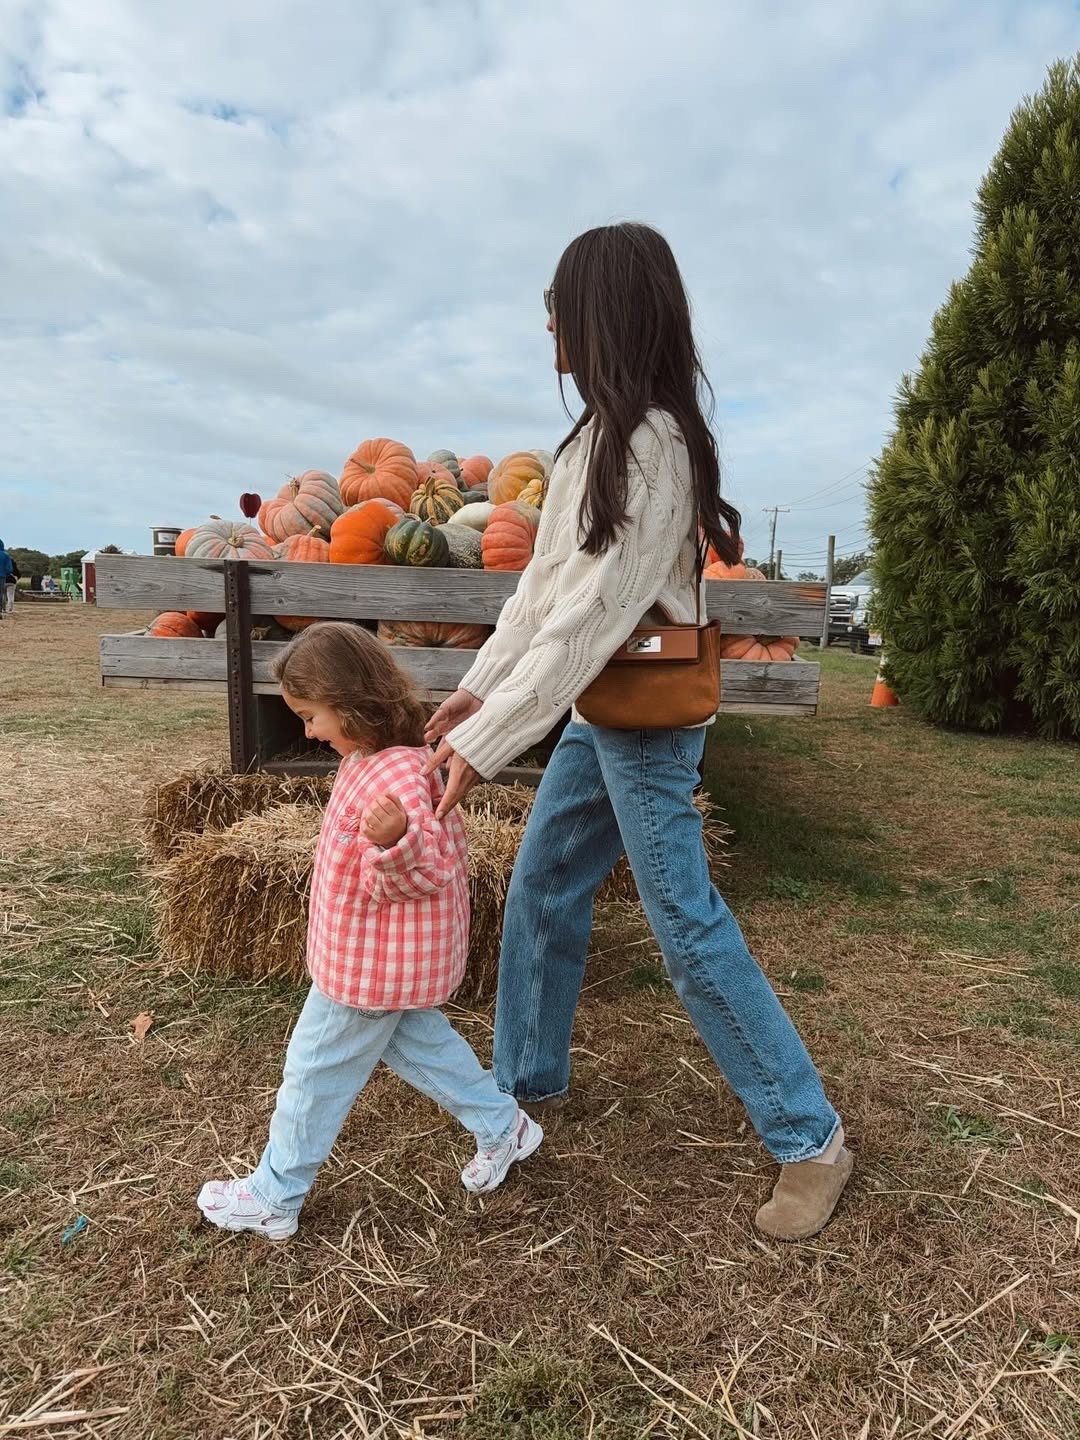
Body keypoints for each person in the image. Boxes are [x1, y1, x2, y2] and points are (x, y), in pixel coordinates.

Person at [426, 223, 851, 1242]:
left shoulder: (653, 446)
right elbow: (541, 593)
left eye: (559, 304)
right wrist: (477, 692)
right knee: (542, 886)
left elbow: (598, 615)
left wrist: (486, 748)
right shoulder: (591, 443)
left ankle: (812, 1139)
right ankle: (520, 1092)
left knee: (686, 926)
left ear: (603, 315)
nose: (547, 323)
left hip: (642, 722)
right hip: (594, 709)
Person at [197, 622, 542, 1241]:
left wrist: (395, 844)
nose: (306, 731)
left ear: (351, 705)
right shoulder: (367, 759)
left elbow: (429, 869)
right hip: (371, 957)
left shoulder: (399, 777)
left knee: (313, 1072)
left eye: (310, 716)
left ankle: (275, 1196)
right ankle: (503, 1127)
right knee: (420, 1046)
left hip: (368, 964)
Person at [0, 541, 17, 617]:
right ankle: (1, 609)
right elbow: (9, 569)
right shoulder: (6, 555)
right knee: (1, 593)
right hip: (2, 576)